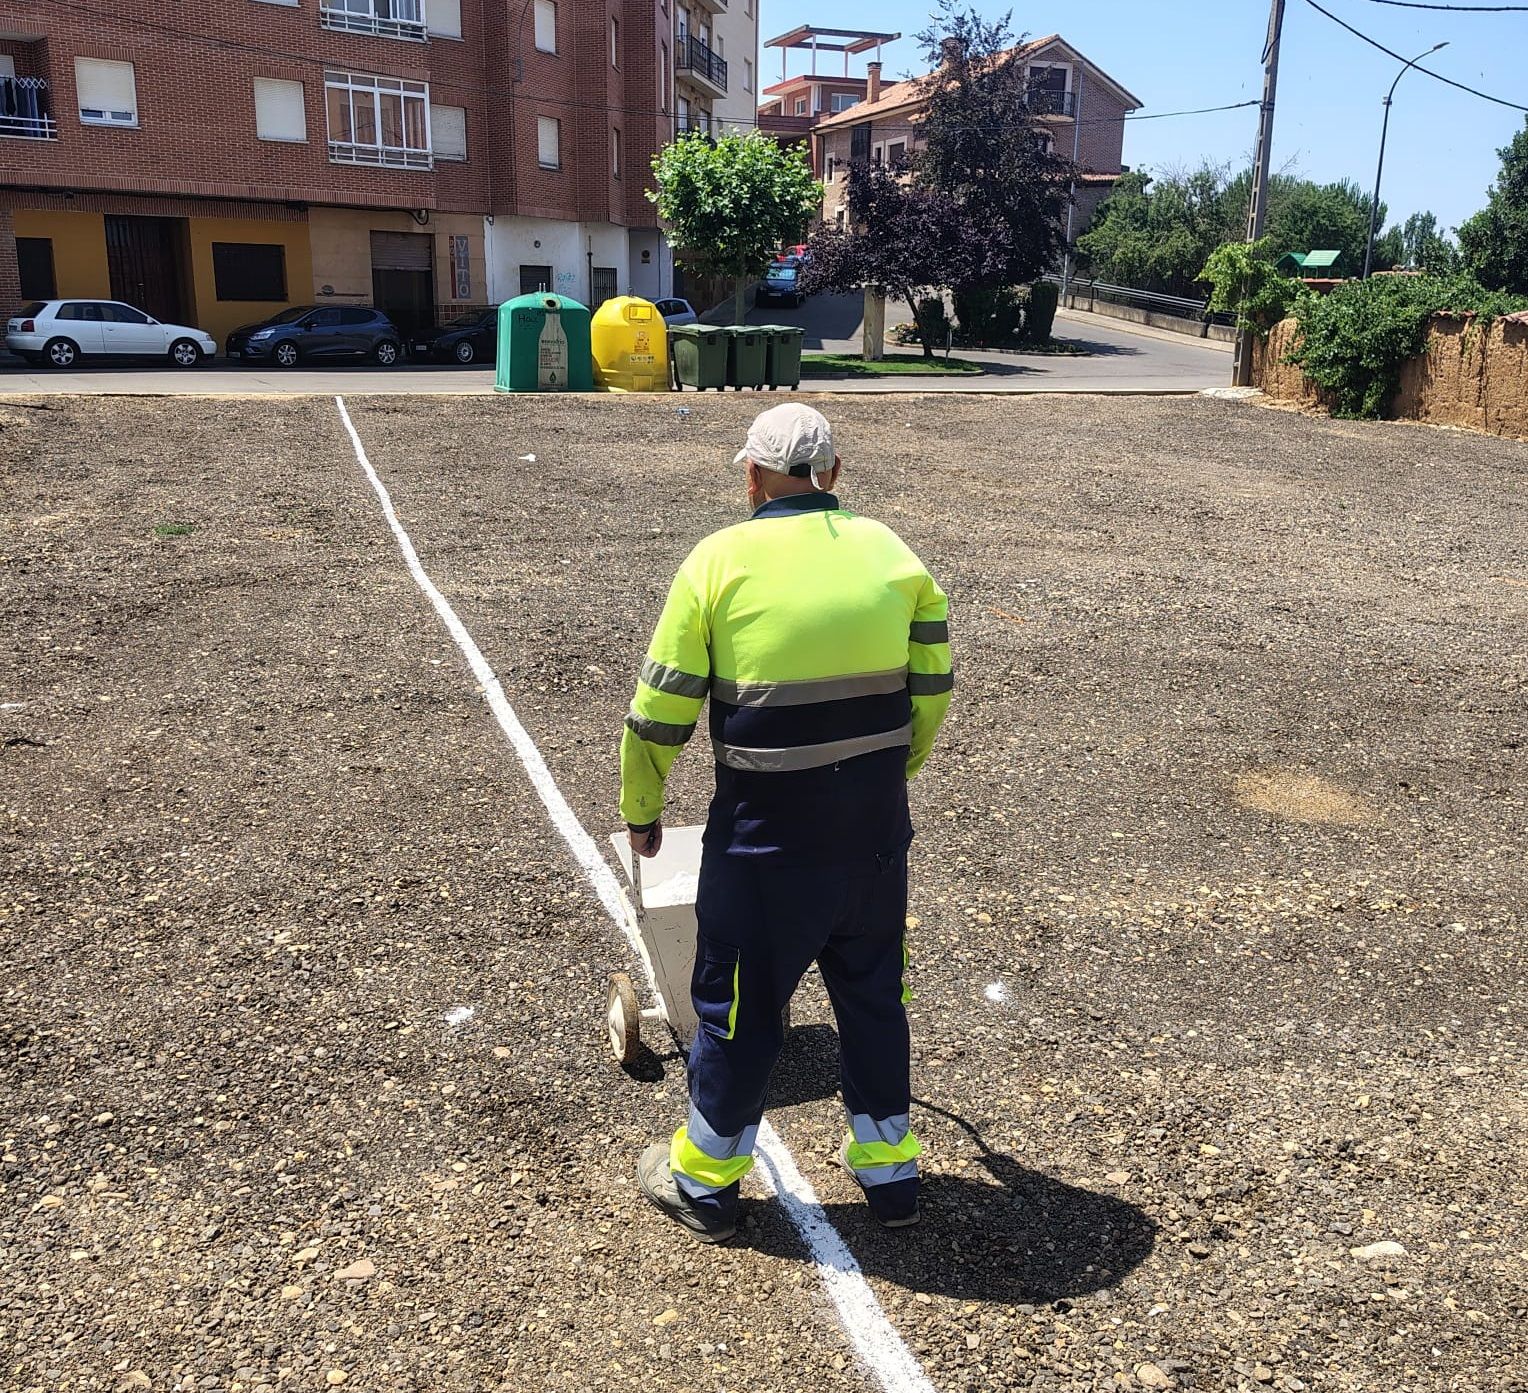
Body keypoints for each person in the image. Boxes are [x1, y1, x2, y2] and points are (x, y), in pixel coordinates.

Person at [619, 402, 954, 1243]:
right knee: (876, 997)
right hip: (875, 838)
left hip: (766, 848)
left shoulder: (718, 562)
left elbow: (658, 713)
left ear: (753, 477)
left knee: (737, 1008)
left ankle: (704, 1178)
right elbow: (934, 690)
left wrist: (643, 810)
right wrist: (888, 777)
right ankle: (889, 1167)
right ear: (834, 475)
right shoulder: (894, 554)